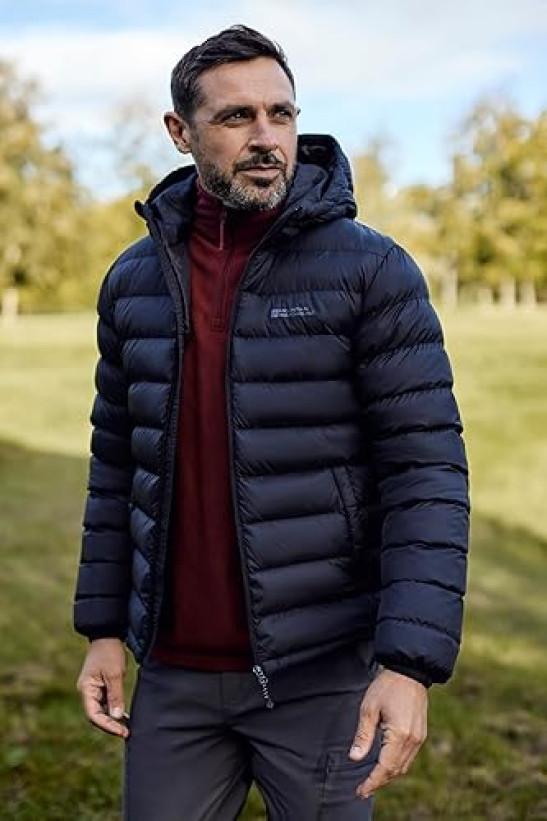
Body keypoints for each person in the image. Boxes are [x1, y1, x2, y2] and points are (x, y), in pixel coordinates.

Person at [72, 24, 470, 820]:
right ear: (180, 131)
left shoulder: (371, 270)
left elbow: (424, 470)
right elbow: (117, 465)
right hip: (174, 675)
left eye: (280, 114)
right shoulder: (133, 280)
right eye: (235, 117)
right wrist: (103, 628)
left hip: (319, 673)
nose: (265, 137)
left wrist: (408, 663)